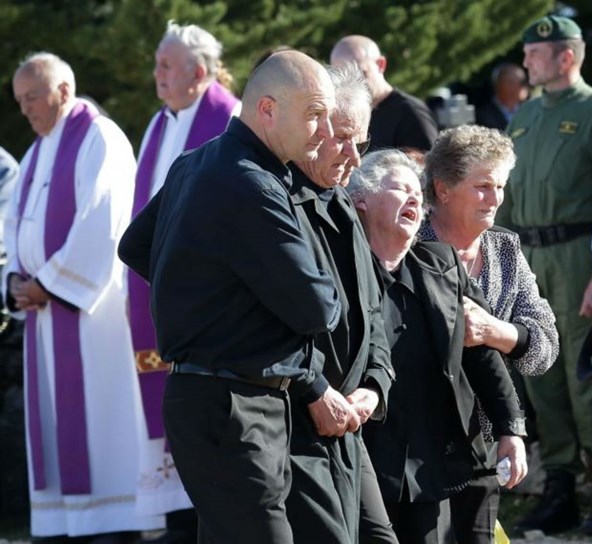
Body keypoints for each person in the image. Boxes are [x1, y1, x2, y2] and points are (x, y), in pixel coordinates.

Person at [118, 50, 341, 544]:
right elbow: (318, 309)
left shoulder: (196, 162)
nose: (325, 130)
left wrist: (209, 295)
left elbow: (135, 247)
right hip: (234, 405)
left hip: (215, 398)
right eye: (313, 113)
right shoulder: (251, 182)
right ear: (267, 109)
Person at [5, 52, 163, 541]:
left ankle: (112, 523)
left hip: (91, 320)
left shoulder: (100, 137)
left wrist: (48, 283)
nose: (26, 109)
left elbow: (105, 221)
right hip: (43, 317)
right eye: (20, 100)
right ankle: (65, 522)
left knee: (99, 426)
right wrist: (13, 279)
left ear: (64, 90)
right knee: (55, 430)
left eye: (33, 97)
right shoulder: (35, 153)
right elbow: (13, 226)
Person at [493, 15, 592, 536]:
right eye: (527, 50)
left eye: (537, 51)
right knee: (541, 375)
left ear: (566, 57)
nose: (526, 58)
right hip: (528, 258)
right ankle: (560, 484)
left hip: (578, 258)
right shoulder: (524, 117)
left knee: (585, 379)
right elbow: (502, 195)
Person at [347, 149, 528, 544]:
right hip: (371, 462)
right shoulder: (342, 275)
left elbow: (484, 359)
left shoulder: (442, 265)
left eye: (418, 192)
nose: (415, 199)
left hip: (440, 457)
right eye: (400, 189)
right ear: (360, 200)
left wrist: (509, 430)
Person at [418, 124, 558, 544]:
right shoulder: (407, 244)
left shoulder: (504, 249)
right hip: (417, 442)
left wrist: (498, 332)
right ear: (442, 189)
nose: (495, 198)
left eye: (499, 186)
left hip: (484, 438)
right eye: (482, 186)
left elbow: (545, 348)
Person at [128, 21, 240, 539]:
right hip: (162, 292)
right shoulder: (160, 124)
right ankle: (178, 520)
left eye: (165, 65)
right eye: (157, 64)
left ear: (199, 72)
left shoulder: (228, 118)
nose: (157, 74)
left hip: (207, 300)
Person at [285, 65, 397, 544]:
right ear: (313, 129)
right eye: (343, 138)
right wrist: (313, 389)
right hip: (296, 421)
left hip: (349, 424)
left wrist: (375, 384)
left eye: (363, 143)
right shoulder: (278, 205)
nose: (354, 157)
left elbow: (375, 315)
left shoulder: (344, 204)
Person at [330, 35, 438, 152]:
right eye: (341, 76)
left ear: (380, 64)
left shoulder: (412, 114)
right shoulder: (339, 114)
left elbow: (426, 167)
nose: (351, 84)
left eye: (360, 74)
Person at [475, 64, 529, 131]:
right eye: (511, 82)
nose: (519, 86)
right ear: (498, 85)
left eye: (522, 82)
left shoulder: (529, 112)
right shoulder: (483, 117)